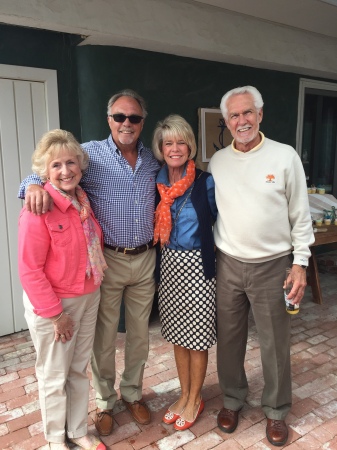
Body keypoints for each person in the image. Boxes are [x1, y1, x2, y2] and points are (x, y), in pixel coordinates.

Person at [18, 89, 161, 436]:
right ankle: (105, 401)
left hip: (144, 258)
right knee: (104, 338)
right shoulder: (90, 155)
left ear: (142, 122)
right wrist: (32, 184)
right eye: (119, 117)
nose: (127, 123)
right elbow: (55, 165)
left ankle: (132, 394)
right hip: (107, 259)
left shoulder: (153, 159)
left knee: (140, 335)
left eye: (134, 118)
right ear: (109, 119)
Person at [208, 86, 315, 447]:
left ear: (261, 114)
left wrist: (299, 264)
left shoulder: (285, 157)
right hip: (228, 264)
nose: (242, 121)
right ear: (226, 121)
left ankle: (276, 410)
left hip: (273, 266)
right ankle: (233, 399)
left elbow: (301, 216)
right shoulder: (218, 161)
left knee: (274, 342)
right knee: (230, 339)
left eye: (248, 113)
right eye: (235, 115)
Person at [18, 130, 107, 450]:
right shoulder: (38, 206)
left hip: (88, 294)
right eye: (56, 165)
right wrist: (56, 316)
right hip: (56, 305)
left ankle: (78, 430)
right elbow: (30, 269)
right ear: (45, 171)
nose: (65, 170)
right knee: (54, 374)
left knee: (79, 369)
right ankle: (56, 438)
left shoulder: (82, 200)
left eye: (71, 162)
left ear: (81, 167)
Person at [152, 115, 217, 430]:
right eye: (168, 143)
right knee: (179, 335)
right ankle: (184, 394)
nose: (175, 148)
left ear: (190, 145)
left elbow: (222, 220)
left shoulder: (206, 181)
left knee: (198, 337)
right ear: (161, 148)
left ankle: (195, 398)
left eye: (180, 142)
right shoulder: (157, 181)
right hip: (169, 266)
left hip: (198, 266)